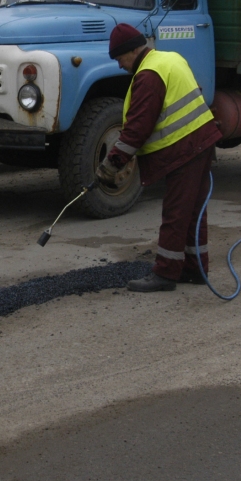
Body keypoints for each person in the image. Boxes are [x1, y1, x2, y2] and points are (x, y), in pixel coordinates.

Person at [96, 24, 223, 293]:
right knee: (193, 211)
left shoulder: (148, 75)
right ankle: (195, 268)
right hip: (200, 143)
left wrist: (113, 162)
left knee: (177, 212)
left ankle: (166, 274)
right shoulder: (170, 59)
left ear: (133, 50)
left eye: (120, 58)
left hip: (185, 149)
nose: (119, 66)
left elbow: (137, 128)